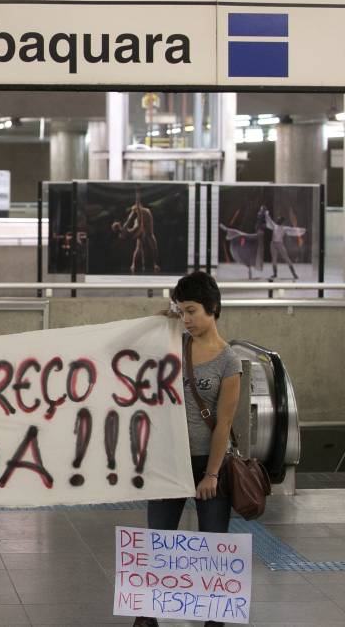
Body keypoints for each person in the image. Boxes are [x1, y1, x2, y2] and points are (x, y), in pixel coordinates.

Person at [135, 271, 241, 627]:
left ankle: (214, 617)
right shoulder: (175, 344)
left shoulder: (228, 361)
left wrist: (212, 474)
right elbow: (141, 340)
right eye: (181, 311)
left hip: (209, 463)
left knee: (213, 544)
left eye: (192, 310)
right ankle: (147, 613)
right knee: (158, 538)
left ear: (213, 308)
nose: (187, 319)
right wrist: (166, 317)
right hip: (170, 459)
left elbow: (224, 424)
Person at [264, 208, 306, 281]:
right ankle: (275, 273)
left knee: (286, 258)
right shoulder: (274, 226)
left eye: (279, 220)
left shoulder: (284, 228)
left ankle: (294, 273)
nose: (278, 221)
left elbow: (293, 230)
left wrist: (302, 230)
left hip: (280, 244)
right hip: (273, 244)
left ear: (282, 222)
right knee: (274, 259)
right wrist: (266, 213)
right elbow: (269, 220)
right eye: (278, 220)